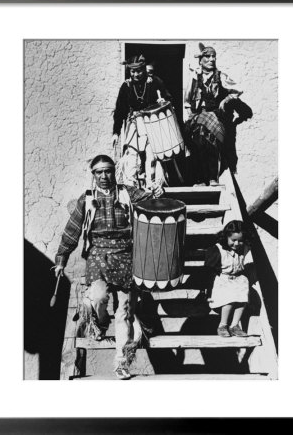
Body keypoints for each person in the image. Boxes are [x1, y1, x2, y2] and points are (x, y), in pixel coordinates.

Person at [54, 154, 164, 379]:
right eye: (99, 172)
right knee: (98, 296)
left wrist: (157, 194)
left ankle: (121, 362)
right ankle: (101, 322)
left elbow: (150, 202)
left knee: (124, 311)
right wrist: (61, 260)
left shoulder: (128, 193)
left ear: (114, 172)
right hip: (98, 255)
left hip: (126, 255)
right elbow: (72, 231)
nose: (104, 176)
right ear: (93, 175)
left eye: (108, 171)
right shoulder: (86, 200)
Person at [184, 43, 252, 185]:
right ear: (200, 60)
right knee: (198, 142)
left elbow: (237, 90)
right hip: (199, 117)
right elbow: (187, 101)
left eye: (213, 56)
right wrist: (191, 116)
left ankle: (213, 178)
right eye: (208, 57)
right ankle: (201, 180)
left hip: (216, 116)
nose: (211, 59)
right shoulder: (195, 78)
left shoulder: (221, 76)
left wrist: (226, 100)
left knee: (210, 142)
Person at [112, 54, 172, 188]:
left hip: (153, 123)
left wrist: (163, 102)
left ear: (144, 69)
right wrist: (116, 132)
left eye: (139, 71)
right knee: (132, 155)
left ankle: (154, 186)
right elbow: (119, 111)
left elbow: (168, 99)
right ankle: (130, 188)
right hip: (134, 124)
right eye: (133, 71)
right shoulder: (126, 86)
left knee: (152, 156)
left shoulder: (155, 82)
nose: (136, 74)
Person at [204, 220, 251, 338]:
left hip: (238, 278)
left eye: (240, 240)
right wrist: (207, 292)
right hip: (222, 280)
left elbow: (246, 263)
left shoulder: (245, 248)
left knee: (242, 297)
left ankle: (235, 325)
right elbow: (208, 271)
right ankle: (223, 325)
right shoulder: (218, 250)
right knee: (230, 296)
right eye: (233, 240)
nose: (237, 243)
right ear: (226, 237)